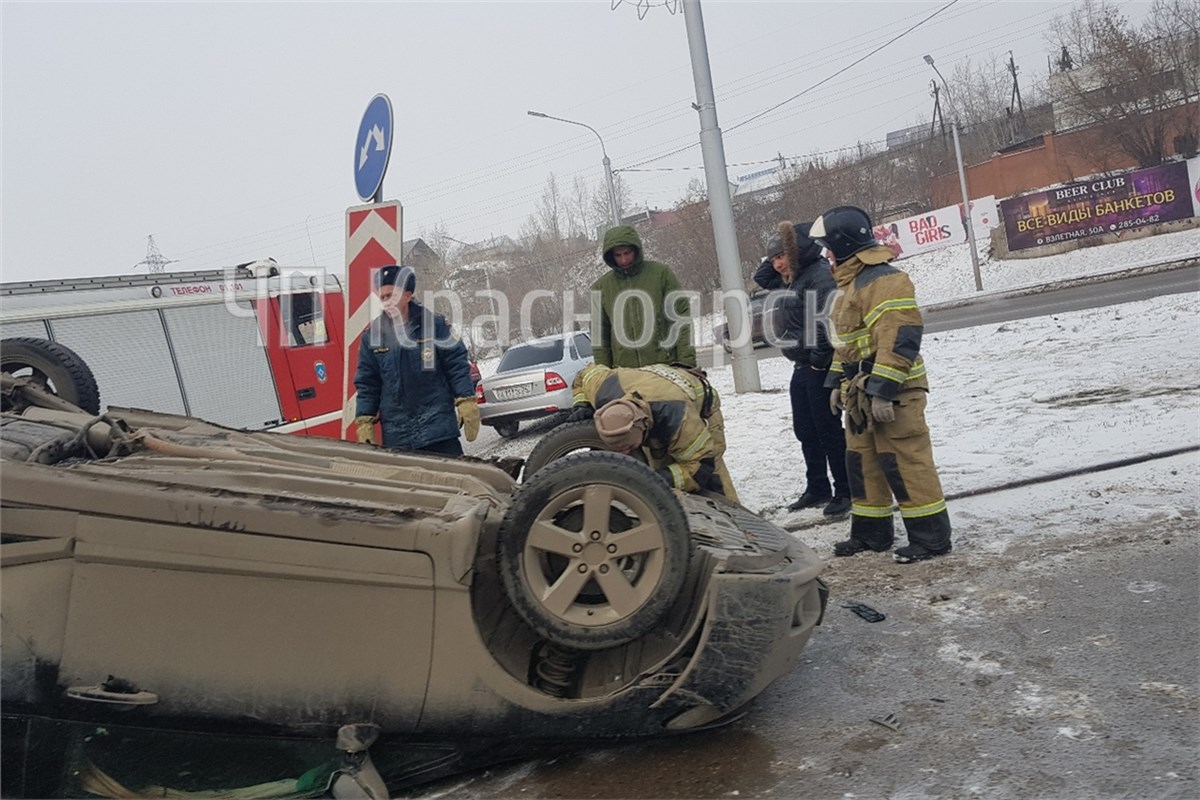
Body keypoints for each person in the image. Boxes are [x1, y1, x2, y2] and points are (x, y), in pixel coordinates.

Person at [809, 205, 952, 564]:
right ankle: (872, 534)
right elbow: (849, 343)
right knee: (863, 464)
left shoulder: (884, 280)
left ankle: (931, 538)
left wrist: (883, 389)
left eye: (829, 246)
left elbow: (900, 337)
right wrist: (835, 384)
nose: (826, 254)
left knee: (905, 461)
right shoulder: (850, 285)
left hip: (895, 391)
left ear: (842, 244)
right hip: (861, 394)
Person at [755, 221, 850, 518]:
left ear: (796, 253)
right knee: (806, 430)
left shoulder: (818, 276)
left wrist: (819, 359)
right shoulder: (792, 277)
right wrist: (782, 259)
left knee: (828, 431)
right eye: (774, 259)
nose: (777, 264)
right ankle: (817, 488)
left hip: (817, 366)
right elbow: (761, 277)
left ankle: (845, 490)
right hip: (801, 365)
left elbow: (825, 321)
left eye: (782, 256)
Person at [352, 265, 480, 456]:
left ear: (408, 294)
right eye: (383, 297)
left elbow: (456, 365)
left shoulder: (434, 325)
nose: (387, 302)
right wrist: (365, 420)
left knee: (452, 481)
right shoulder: (373, 336)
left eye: (392, 295)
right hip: (398, 436)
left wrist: (466, 401)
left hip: (438, 428)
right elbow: (367, 383)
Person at [568, 363, 738, 502]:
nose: (625, 453)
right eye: (617, 449)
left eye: (628, 447)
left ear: (643, 427)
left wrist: (657, 480)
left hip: (701, 409)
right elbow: (583, 375)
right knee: (660, 468)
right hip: (654, 390)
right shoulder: (602, 388)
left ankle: (738, 523)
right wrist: (581, 403)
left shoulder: (679, 418)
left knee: (711, 479)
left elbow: (702, 465)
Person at [591, 225, 696, 369]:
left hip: (665, 367)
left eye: (627, 253)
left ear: (636, 249)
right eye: (618, 255)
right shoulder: (601, 288)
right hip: (625, 374)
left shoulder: (661, 274)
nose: (623, 260)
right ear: (611, 256)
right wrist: (603, 375)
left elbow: (681, 318)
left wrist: (686, 363)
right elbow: (600, 338)